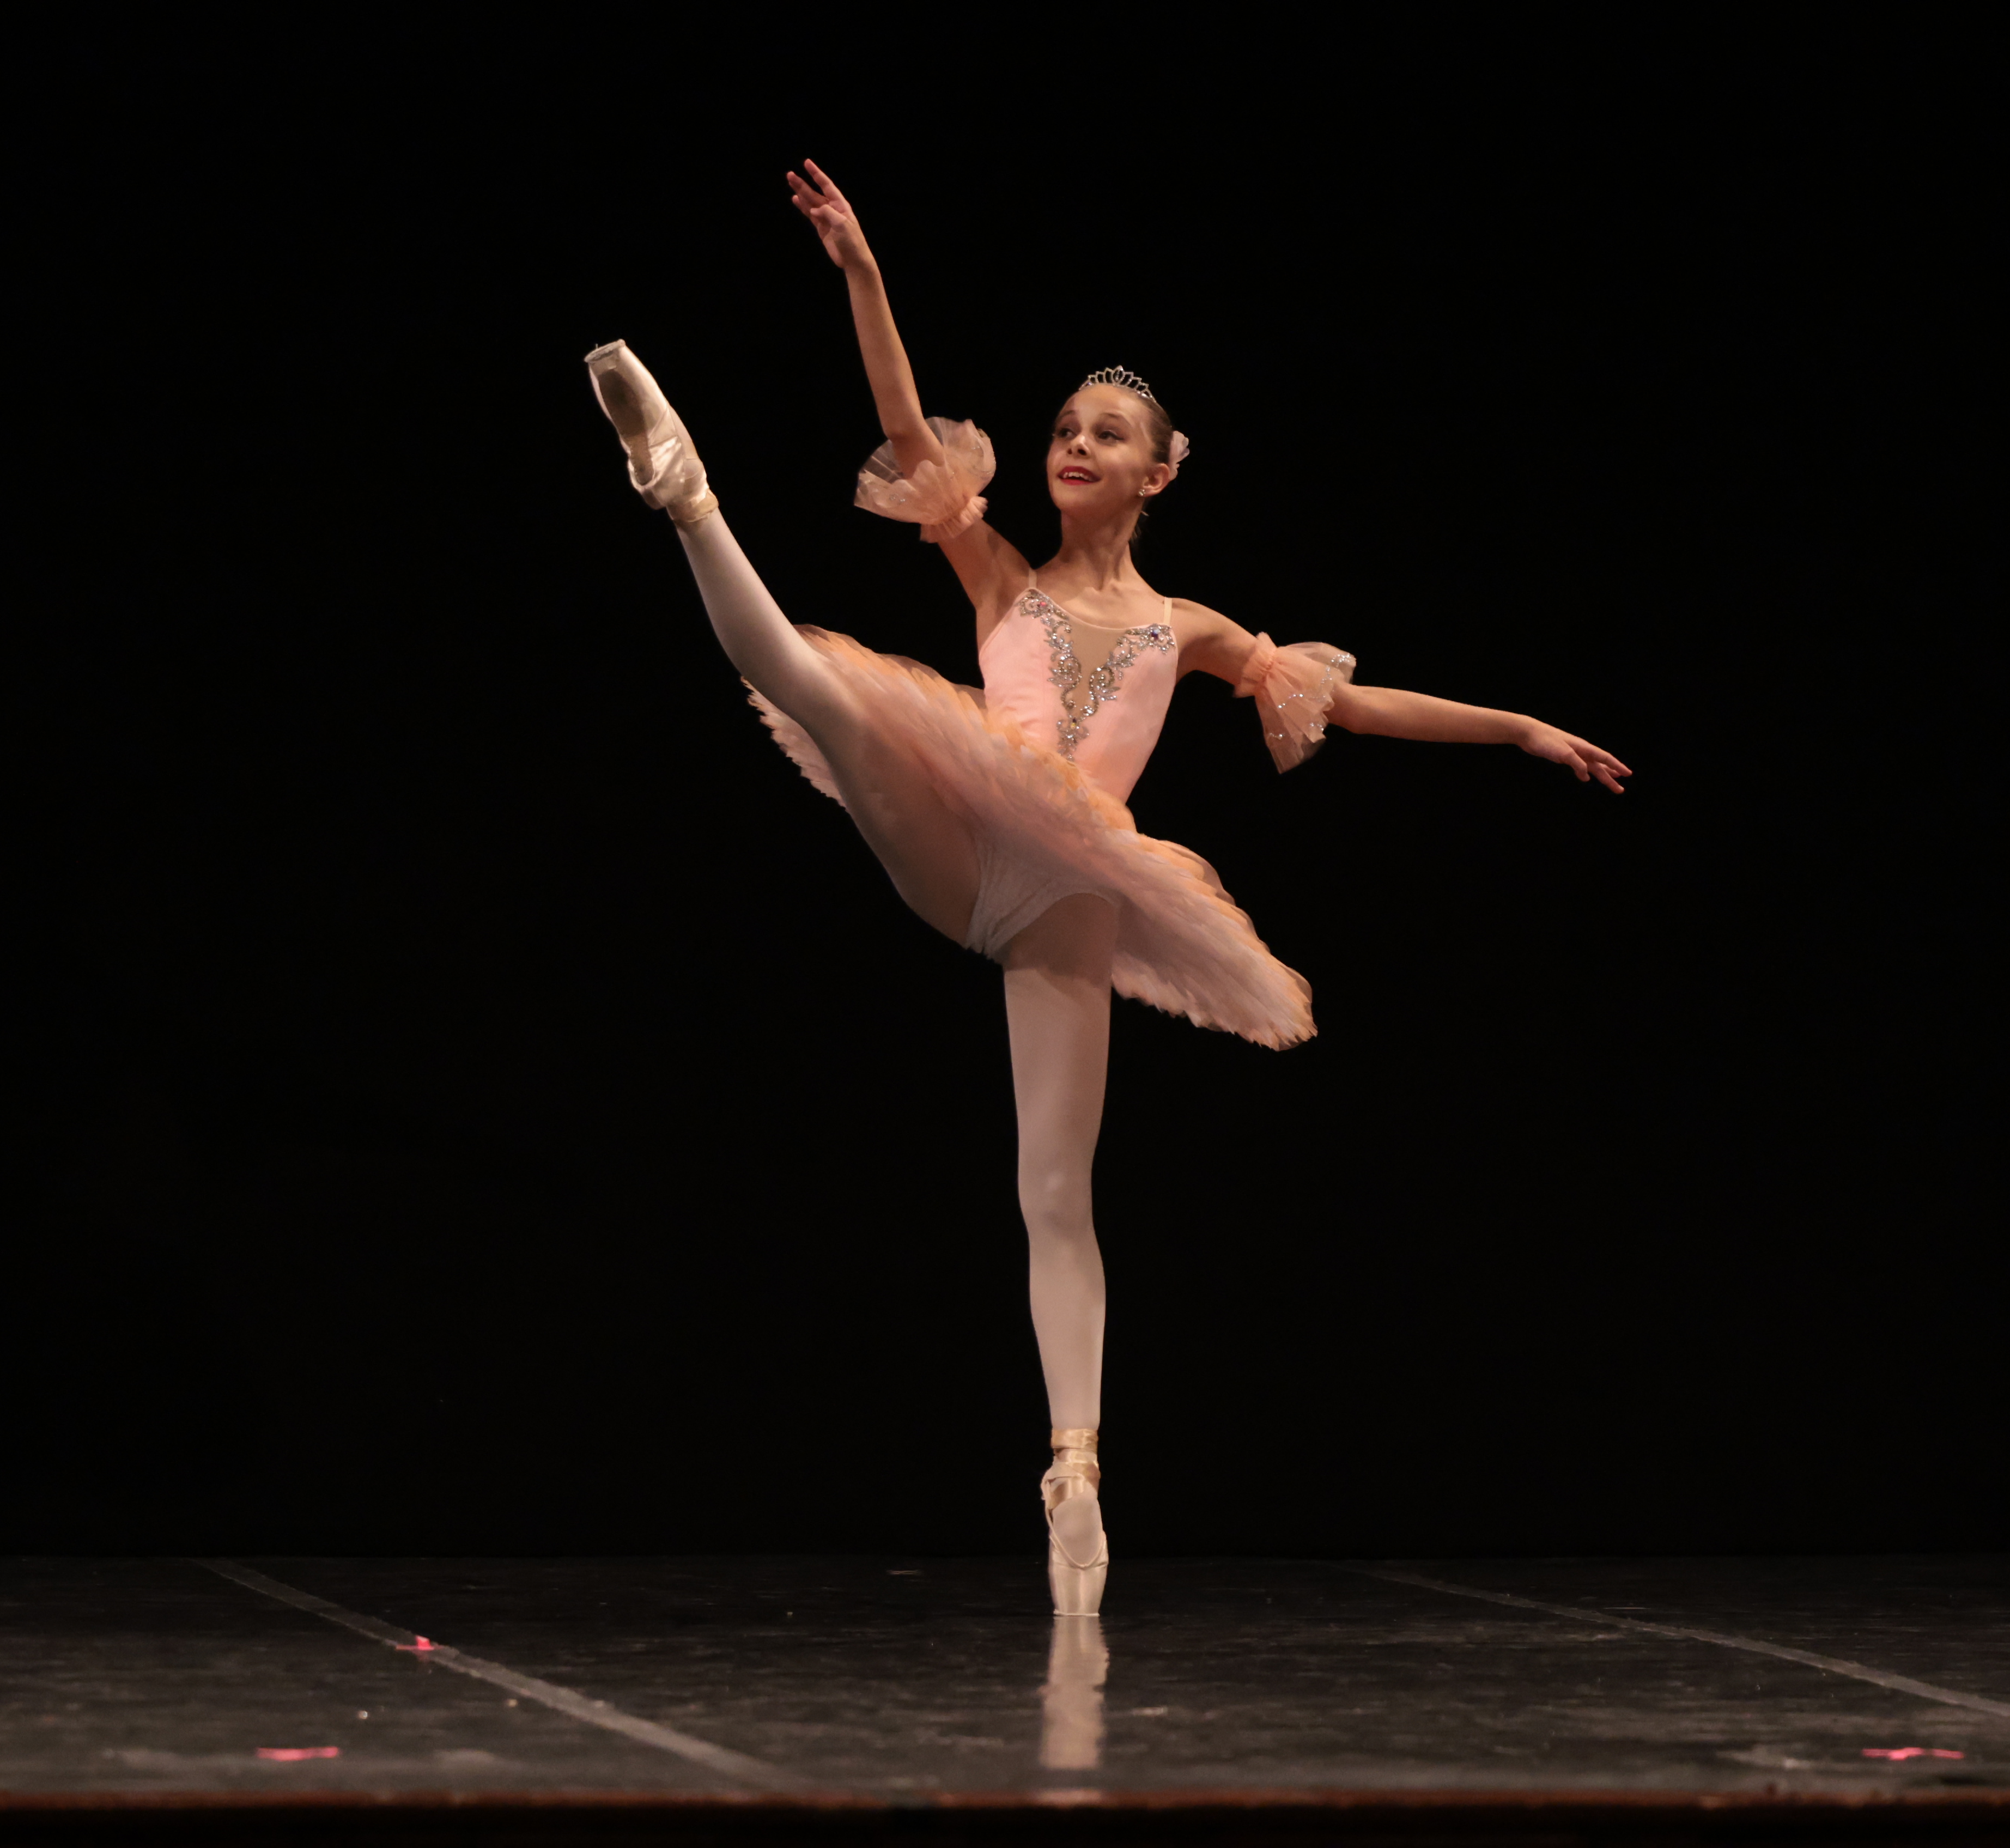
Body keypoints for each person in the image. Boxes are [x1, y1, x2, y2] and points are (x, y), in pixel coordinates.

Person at [583, 161, 1629, 1616]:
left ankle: (1074, 1469)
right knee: (820, 687)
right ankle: (684, 492)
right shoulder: (1000, 575)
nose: (1075, 441)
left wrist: (1516, 727)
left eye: (1108, 432)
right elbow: (902, 423)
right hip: (958, 819)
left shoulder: (1187, 627)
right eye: (1068, 424)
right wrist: (861, 270)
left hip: (1065, 894)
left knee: (1057, 1189)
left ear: (1161, 471)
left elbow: (1358, 701)